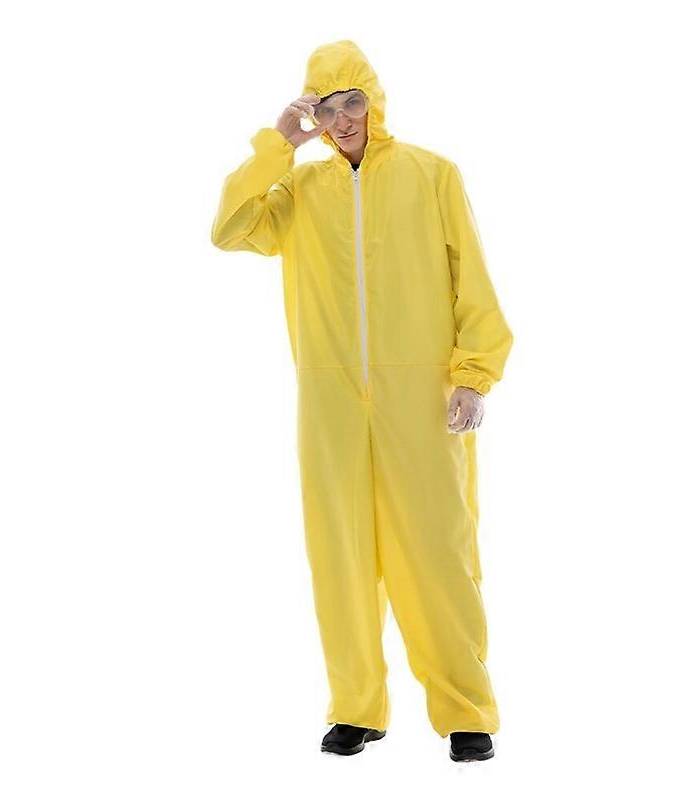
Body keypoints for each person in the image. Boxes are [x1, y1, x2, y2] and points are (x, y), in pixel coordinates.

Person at [210, 40, 513, 762]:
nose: (342, 119)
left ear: (374, 102)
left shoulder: (431, 175)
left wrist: (473, 375)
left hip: (421, 398)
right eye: (325, 109)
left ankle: (466, 711)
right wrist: (278, 145)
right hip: (331, 402)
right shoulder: (298, 193)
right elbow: (229, 229)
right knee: (340, 553)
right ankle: (357, 707)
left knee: (437, 553)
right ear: (311, 117)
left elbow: (472, 280)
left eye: (351, 103)